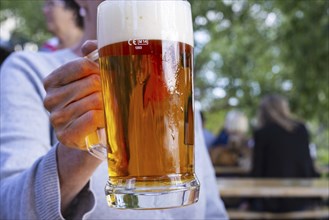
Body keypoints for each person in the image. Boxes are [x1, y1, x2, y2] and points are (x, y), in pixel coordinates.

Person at [0, 0, 228, 219]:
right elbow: (7, 209)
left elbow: (212, 211)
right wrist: (83, 144)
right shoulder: (29, 70)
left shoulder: (178, 86)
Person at [250, 94, 319, 212]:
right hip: (303, 197)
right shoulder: (301, 129)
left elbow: (258, 171)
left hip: (273, 201)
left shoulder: (262, 133)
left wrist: (247, 200)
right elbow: (308, 163)